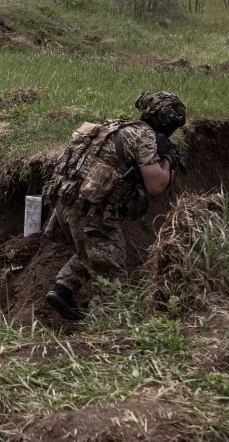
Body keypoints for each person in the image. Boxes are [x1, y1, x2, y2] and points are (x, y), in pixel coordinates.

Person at [42, 91, 186, 320]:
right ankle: (103, 329)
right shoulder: (145, 137)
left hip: (65, 205)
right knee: (112, 276)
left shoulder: (116, 126)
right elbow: (156, 185)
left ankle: (63, 288)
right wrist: (167, 159)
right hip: (92, 213)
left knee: (95, 250)